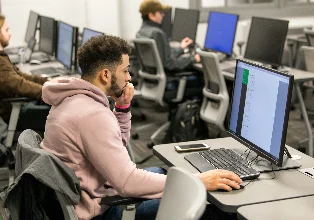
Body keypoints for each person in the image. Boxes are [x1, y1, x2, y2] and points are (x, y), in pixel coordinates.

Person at [40, 35, 242, 220]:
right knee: (210, 208)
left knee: (165, 173)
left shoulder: (73, 99)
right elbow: (127, 182)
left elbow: (117, 147)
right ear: (105, 75)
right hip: (101, 211)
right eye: (125, 70)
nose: (129, 77)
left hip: (88, 195)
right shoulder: (92, 115)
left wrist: (122, 108)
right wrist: (199, 180)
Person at [0, 15, 48, 124]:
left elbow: (20, 76)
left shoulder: (2, 57)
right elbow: (19, 85)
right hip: (14, 114)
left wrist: (47, 82)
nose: (10, 34)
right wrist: (49, 91)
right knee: (63, 112)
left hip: (16, 108)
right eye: (6, 30)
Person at [136, 0, 200, 72]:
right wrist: (192, 58)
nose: (163, 15)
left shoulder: (140, 33)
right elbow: (170, 64)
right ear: (151, 15)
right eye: (160, 13)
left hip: (151, 79)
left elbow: (163, 56)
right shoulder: (157, 33)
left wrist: (181, 47)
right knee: (199, 74)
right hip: (168, 79)